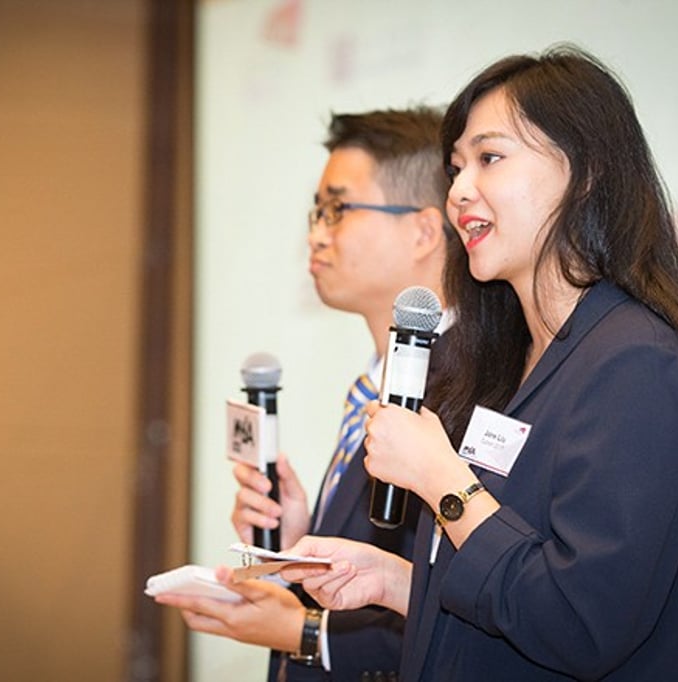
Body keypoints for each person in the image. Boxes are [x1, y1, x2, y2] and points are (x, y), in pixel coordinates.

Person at [280, 45, 678, 681]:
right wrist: (395, 581)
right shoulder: (508, 359)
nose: (459, 192)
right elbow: (513, 590)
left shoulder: (637, 361)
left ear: (588, 170)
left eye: (489, 159)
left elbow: (582, 622)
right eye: (456, 168)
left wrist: (445, 483)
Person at [154, 107, 468, 680]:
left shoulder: (472, 387)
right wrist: (295, 543)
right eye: (315, 212)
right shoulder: (377, 381)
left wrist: (302, 632)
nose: (315, 234)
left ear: (424, 230)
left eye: (337, 210)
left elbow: (469, 611)